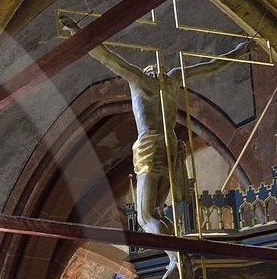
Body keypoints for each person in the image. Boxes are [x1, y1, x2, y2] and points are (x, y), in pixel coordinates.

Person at [62, 18, 248, 240]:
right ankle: (179, 258)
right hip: (171, 147)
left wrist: (78, 32)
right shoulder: (173, 80)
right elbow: (212, 66)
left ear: (148, 71)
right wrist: (237, 52)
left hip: (149, 145)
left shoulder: (139, 80)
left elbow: (106, 57)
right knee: (159, 212)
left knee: (145, 217)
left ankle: (176, 259)